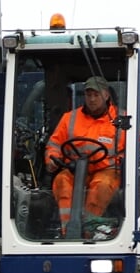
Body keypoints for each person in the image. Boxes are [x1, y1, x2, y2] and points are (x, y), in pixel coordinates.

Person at [44, 75, 124, 236]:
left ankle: (89, 231)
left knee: (101, 186)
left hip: (106, 169)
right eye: (89, 95)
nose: (92, 99)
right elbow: (54, 144)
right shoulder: (70, 118)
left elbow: (137, 148)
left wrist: (122, 163)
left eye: (97, 95)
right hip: (74, 168)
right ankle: (69, 232)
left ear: (106, 95)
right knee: (62, 182)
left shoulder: (121, 120)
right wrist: (52, 159)